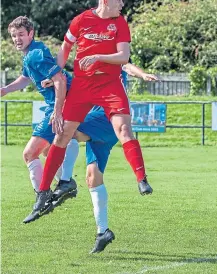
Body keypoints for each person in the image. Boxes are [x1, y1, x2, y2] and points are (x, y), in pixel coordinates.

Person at [25, 0, 154, 222]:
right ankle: (43, 194)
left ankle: (142, 179)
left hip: (110, 85)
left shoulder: (120, 23)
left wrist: (97, 56)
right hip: (83, 87)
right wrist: (56, 73)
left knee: (124, 128)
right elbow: (65, 48)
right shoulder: (81, 20)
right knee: (61, 135)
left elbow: (124, 57)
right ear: (105, 0)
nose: (122, 4)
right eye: (119, 0)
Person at [41, 62, 159, 253]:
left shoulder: (112, 59)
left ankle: (66, 182)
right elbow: (71, 82)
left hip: (108, 118)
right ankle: (103, 232)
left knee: (67, 133)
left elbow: (128, 66)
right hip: (95, 121)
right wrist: (55, 80)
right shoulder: (86, 65)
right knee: (92, 178)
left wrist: (143, 74)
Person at [1, 16, 80, 200]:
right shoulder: (31, 54)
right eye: (13, 36)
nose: (17, 39)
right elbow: (26, 78)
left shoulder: (35, 54)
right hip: (60, 104)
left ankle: (43, 195)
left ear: (31, 34)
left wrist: (57, 111)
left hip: (61, 104)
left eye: (21, 34)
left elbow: (60, 80)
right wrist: (5, 90)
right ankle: (65, 183)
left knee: (29, 154)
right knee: (47, 150)